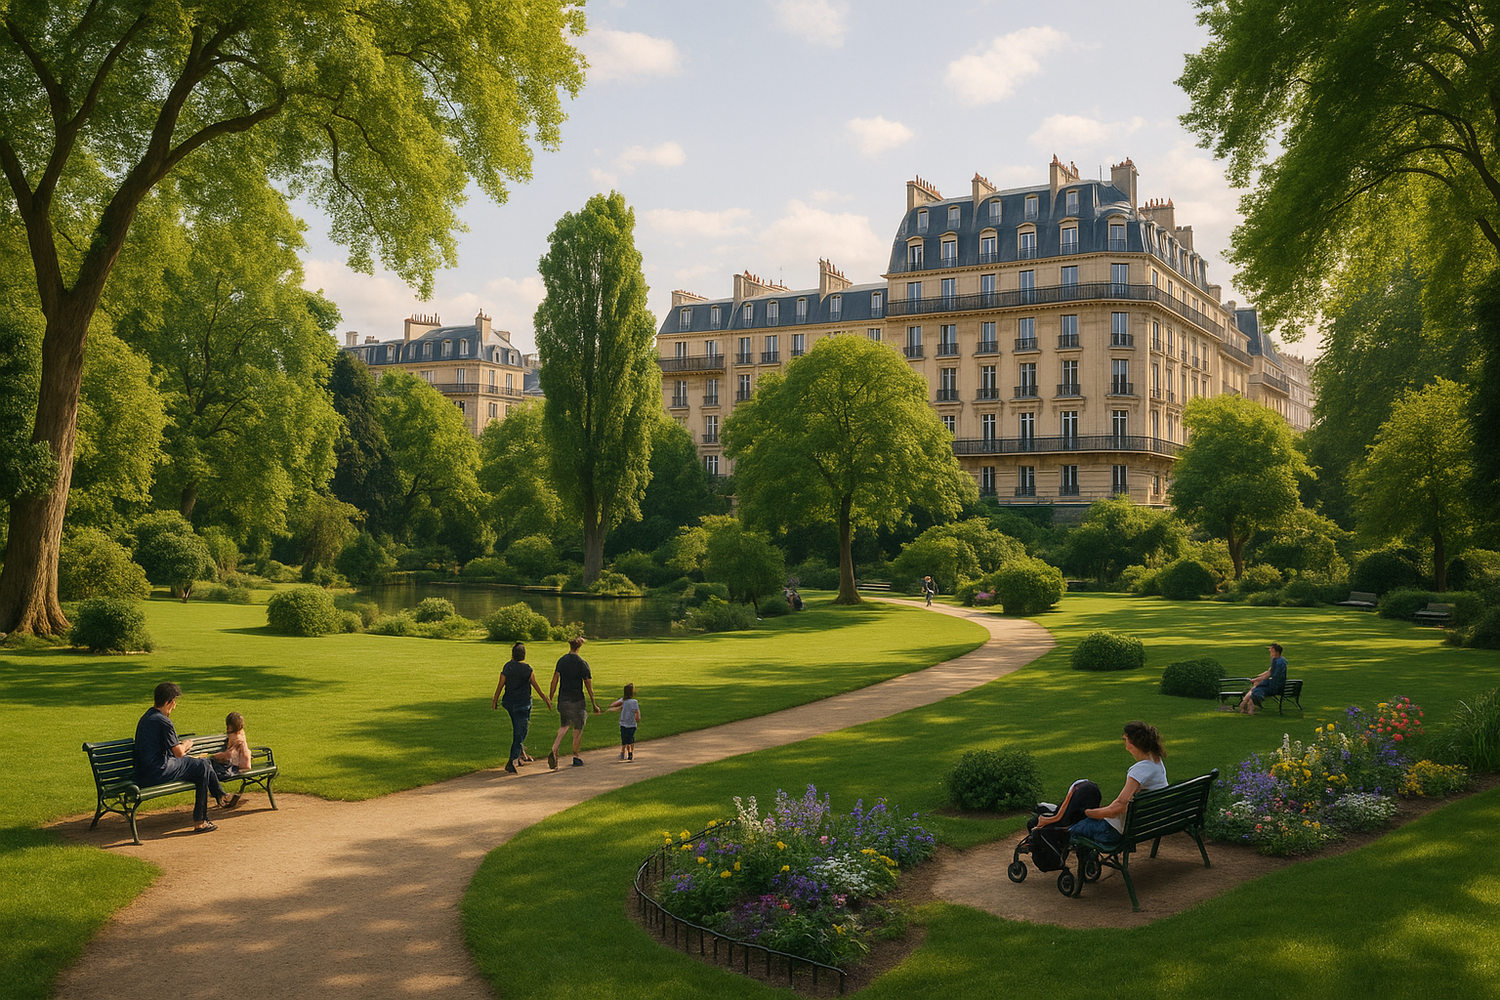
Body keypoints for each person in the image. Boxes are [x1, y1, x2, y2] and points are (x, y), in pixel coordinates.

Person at [133, 682, 228, 833]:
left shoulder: (146, 717)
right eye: (174, 701)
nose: (175, 705)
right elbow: (179, 753)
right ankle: (201, 820)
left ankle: (221, 796)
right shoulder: (164, 721)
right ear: (167, 702)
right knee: (203, 765)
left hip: (143, 773)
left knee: (201, 765)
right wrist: (187, 744)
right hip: (158, 772)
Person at [1068, 721, 1168, 848]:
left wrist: (1088, 812)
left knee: (1073, 830)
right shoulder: (1156, 761)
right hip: (1145, 824)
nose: (1125, 745)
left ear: (1131, 742)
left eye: (1125, 739)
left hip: (1115, 832)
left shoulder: (1139, 770)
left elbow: (1116, 809)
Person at [492, 642, 551, 773]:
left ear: (512, 654)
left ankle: (519, 755)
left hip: (509, 702)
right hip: (523, 704)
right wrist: (545, 699)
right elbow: (535, 685)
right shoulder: (527, 669)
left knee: (518, 729)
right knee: (521, 732)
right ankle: (512, 760)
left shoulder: (508, 667)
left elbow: (500, 684)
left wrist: (495, 700)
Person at [548, 637, 600, 769]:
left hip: (563, 698)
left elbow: (554, 680)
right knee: (578, 726)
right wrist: (594, 704)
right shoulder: (582, 663)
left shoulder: (562, 661)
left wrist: (551, 697)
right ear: (579, 647)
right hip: (577, 700)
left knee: (564, 725)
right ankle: (576, 756)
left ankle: (555, 748)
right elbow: (588, 686)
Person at [210, 711, 252, 809]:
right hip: (242, 763)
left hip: (233, 766)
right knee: (207, 769)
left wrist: (215, 756)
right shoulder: (241, 733)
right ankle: (221, 794)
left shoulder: (233, 737)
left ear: (229, 725)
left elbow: (229, 755)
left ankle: (222, 795)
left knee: (208, 768)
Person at [1238, 643, 1289, 716]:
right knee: (1257, 685)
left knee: (1257, 688)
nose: (1270, 653)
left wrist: (1256, 679)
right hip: (1275, 684)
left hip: (1275, 687)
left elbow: (1269, 674)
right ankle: (1246, 705)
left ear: (1277, 652)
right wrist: (1257, 677)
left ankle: (1246, 706)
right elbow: (1269, 671)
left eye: (1272, 651)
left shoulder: (1279, 662)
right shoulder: (1278, 660)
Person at [607, 683, 642, 761]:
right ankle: (627, 753)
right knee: (628, 739)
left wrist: (618, 705)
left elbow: (613, 705)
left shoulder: (626, 701)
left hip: (626, 723)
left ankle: (629, 753)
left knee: (627, 739)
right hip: (629, 723)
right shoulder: (631, 701)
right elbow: (637, 712)